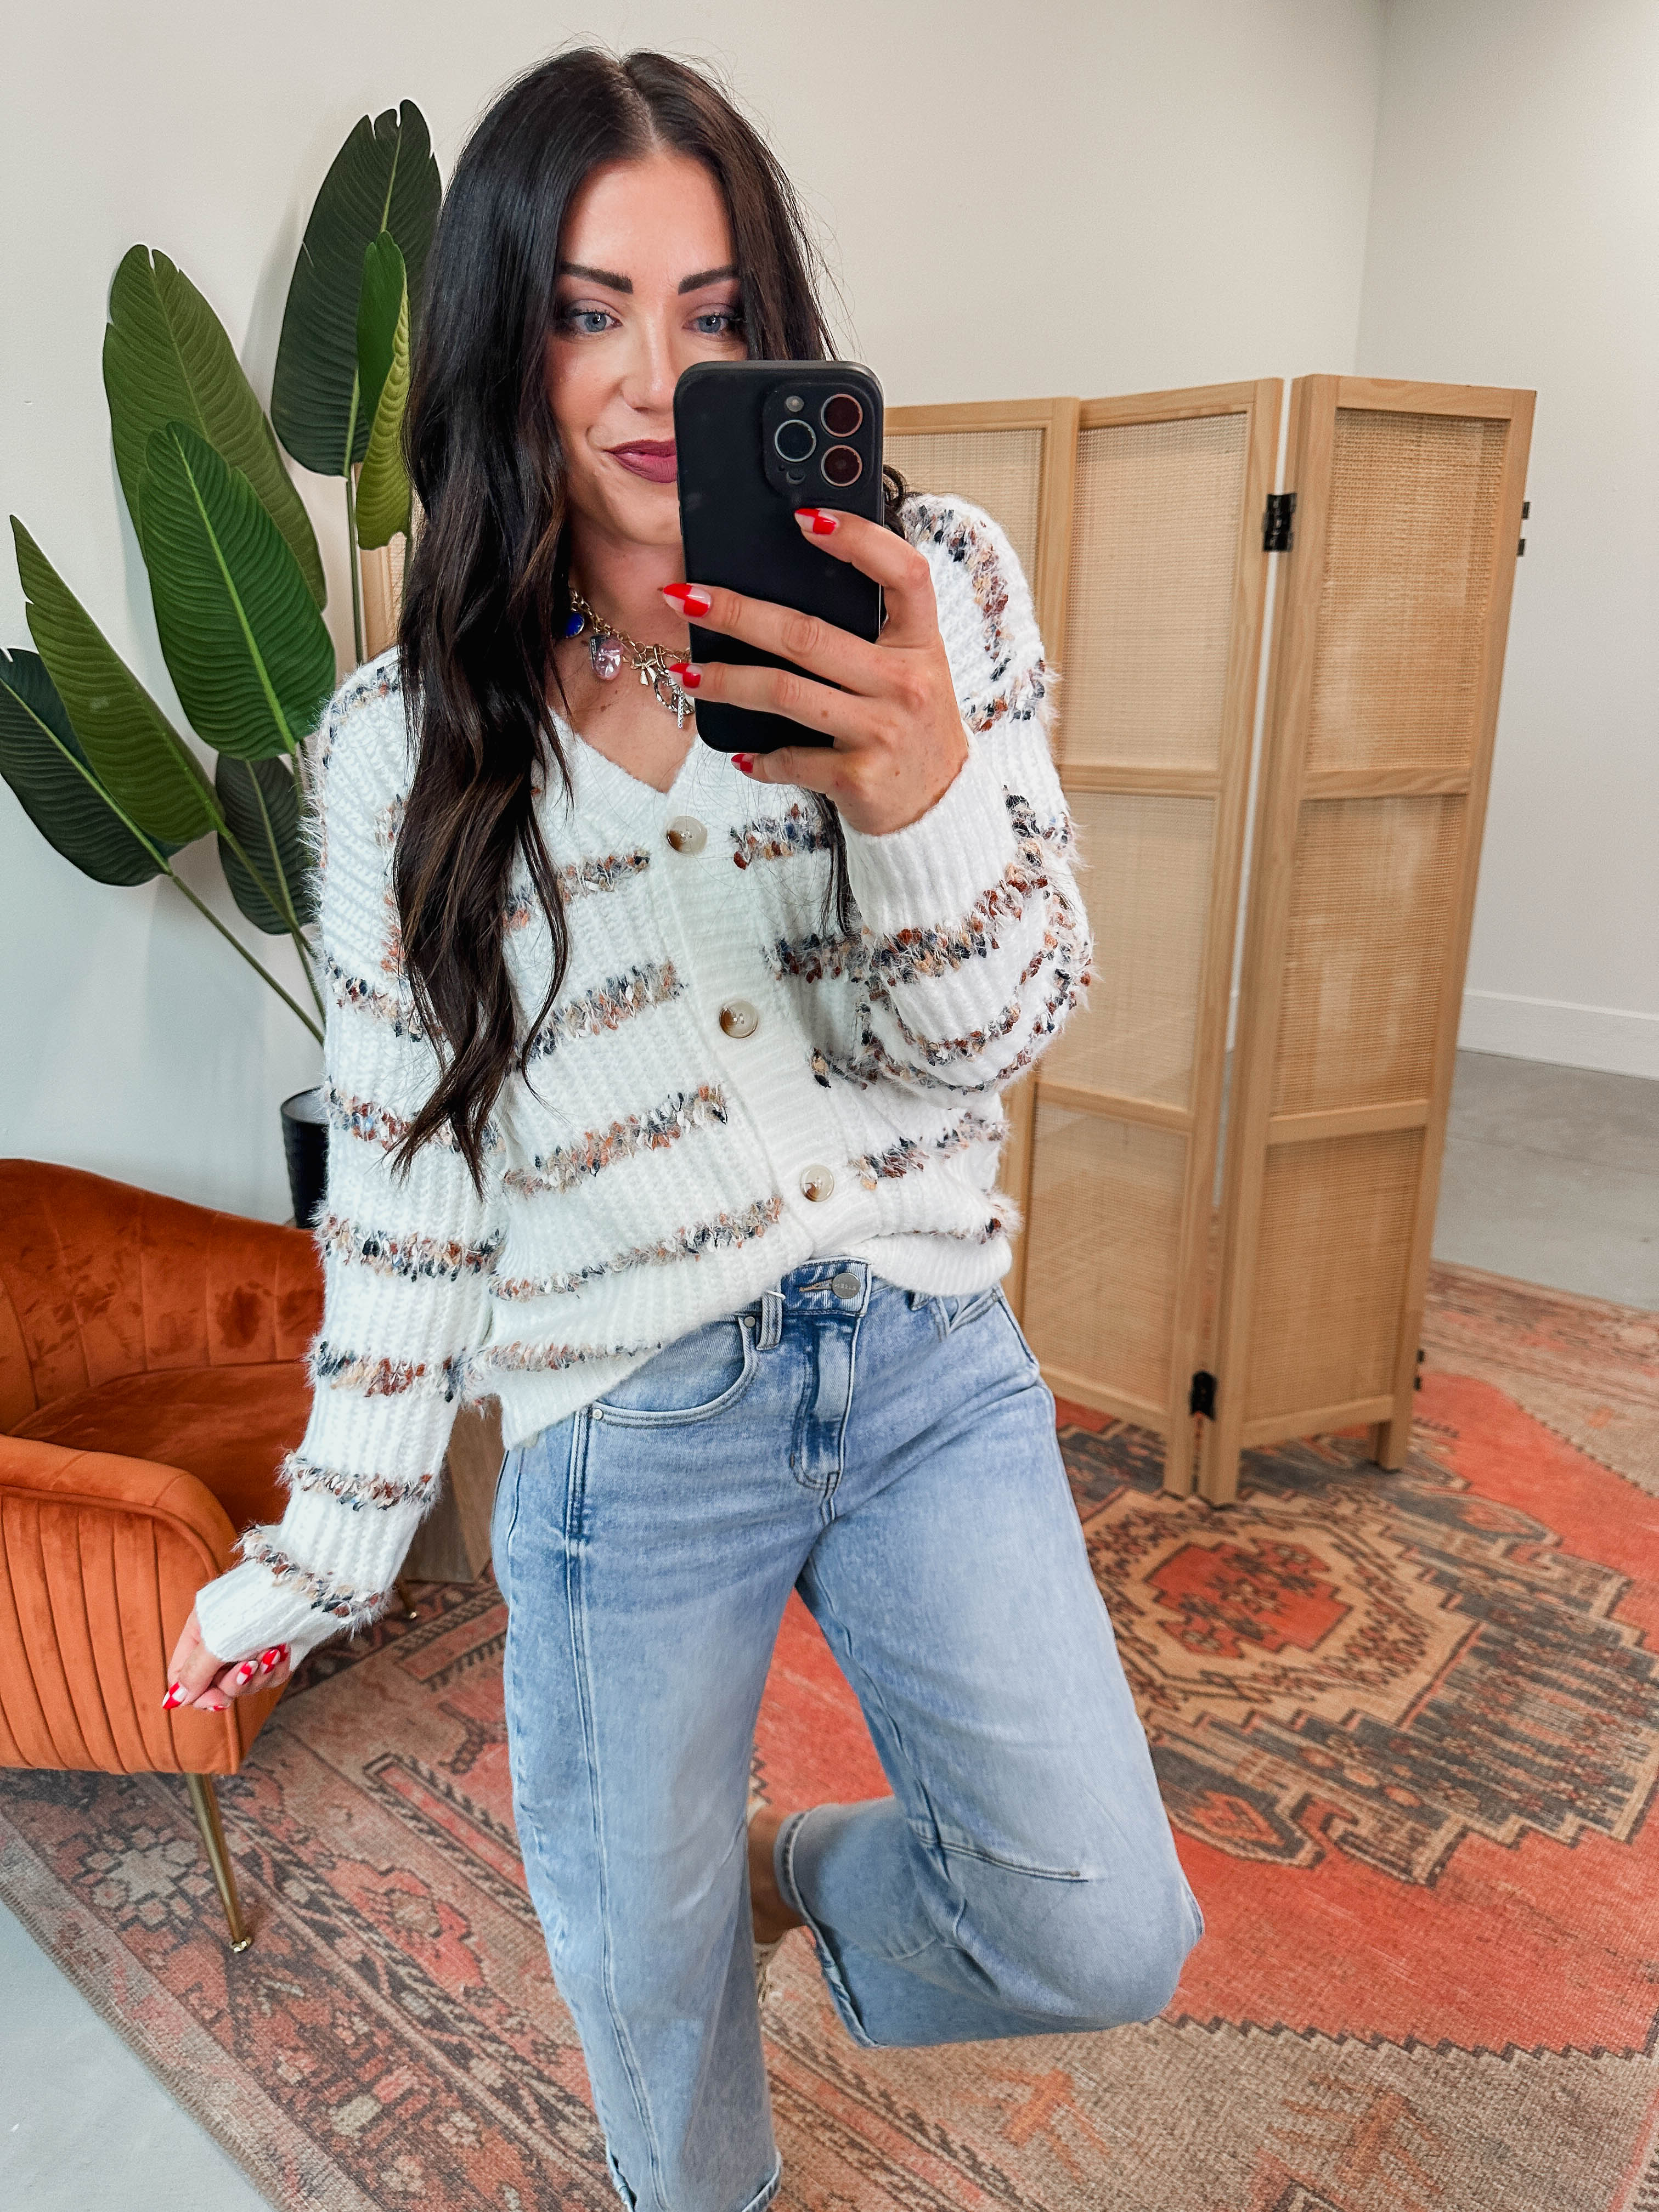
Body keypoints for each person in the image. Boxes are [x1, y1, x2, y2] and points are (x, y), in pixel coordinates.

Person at [166, 47, 1203, 2212]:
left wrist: (922, 797)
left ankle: (796, 1870)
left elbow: (1004, 1028)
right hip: (623, 1428)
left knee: (1102, 1930)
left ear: (775, 333)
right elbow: (407, 1183)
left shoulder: (929, 592)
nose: (657, 377)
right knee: (651, 2009)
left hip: (922, 1364)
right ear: (503, 338)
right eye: (590, 311)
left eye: (713, 312)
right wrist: (329, 1545)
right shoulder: (395, 749)